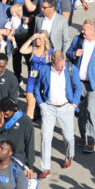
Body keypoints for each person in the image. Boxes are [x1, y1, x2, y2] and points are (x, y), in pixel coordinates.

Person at [67, 19, 95, 153]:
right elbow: (68, 53)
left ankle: (91, 141)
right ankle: (83, 136)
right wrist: (74, 54)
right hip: (78, 82)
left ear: (93, 31)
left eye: (84, 30)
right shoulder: (78, 40)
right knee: (80, 111)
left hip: (93, 84)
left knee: (91, 111)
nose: (82, 32)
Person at [34, 50, 81, 178]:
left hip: (66, 107)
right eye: (60, 65)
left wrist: (74, 105)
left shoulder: (71, 69)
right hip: (48, 108)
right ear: (52, 63)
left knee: (68, 137)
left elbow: (78, 87)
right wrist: (41, 105)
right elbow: (36, 88)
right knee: (45, 137)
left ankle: (69, 156)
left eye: (64, 63)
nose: (63, 67)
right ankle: (45, 167)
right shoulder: (44, 70)